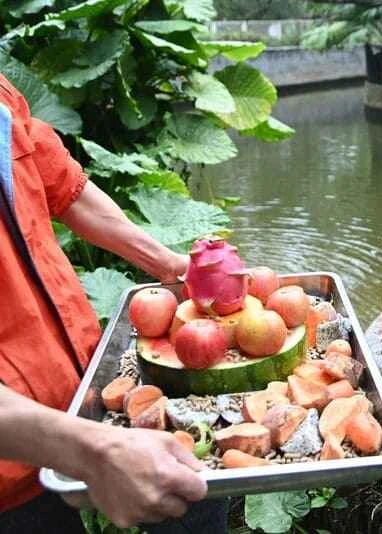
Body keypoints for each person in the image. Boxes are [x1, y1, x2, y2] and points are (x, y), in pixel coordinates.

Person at [0, 75, 228, 532]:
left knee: (197, 500)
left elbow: (66, 189)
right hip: (10, 468)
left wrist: (168, 264)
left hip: (83, 393)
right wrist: (92, 449)